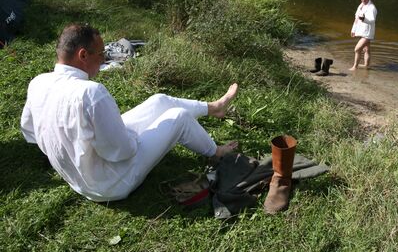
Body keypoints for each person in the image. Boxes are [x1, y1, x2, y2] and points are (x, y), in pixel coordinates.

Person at [20, 24, 238, 202]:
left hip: (80, 176)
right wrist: (137, 136)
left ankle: (214, 108)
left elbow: (30, 133)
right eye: (101, 53)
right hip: (109, 184)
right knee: (179, 118)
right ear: (83, 55)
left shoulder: (38, 82)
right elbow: (122, 152)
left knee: (159, 101)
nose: (104, 58)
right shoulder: (91, 93)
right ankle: (216, 153)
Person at [349, 0, 377, 70]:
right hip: (362, 31)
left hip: (367, 33)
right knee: (366, 49)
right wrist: (353, 30)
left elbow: (372, 20)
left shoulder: (372, 8)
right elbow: (356, 18)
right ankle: (366, 65)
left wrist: (364, 19)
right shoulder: (361, 5)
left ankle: (355, 67)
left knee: (357, 49)